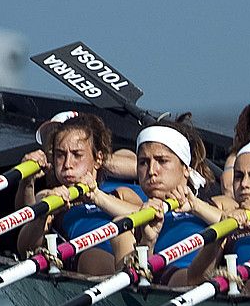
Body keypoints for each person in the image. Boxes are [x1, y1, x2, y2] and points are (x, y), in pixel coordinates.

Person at [12, 113, 142, 274]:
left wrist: (97, 197)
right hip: (87, 261)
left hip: (134, 258)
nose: (67, 164)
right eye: (60, 155)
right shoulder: (50, 196)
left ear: (98, 159)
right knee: (92, 256)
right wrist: (40, 208)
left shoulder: (120, 193)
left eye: (77, 155)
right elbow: (24, 247)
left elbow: (151, 217)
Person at [107, 121, 230, 284]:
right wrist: (147, 242)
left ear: (186, 168)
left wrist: (195, 206)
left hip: (217, 280)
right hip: (169, 283)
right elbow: (128, 285)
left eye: (162, 161)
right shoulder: (126, 226)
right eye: (143, 162)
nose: (151, 171)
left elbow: (245, 225)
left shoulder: (220, 204)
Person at [180, 137, 250, 289]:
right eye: (238, 176)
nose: (244, 184)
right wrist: (221, 233)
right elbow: (193, 280)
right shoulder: (230, 224)